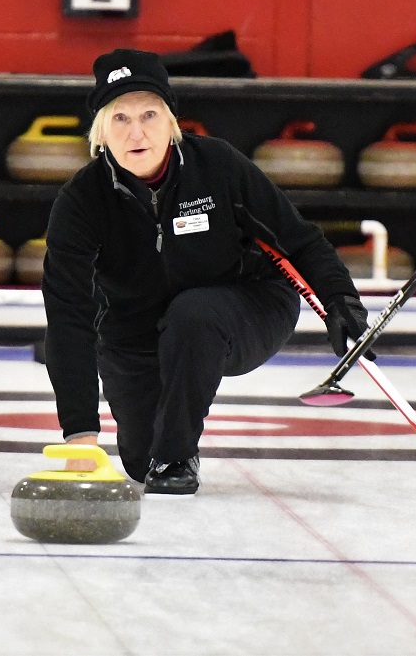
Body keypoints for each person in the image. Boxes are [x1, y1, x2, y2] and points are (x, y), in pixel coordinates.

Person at [41, 49, 366, 494]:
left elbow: (299, 238)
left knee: (194, 313)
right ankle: (160, 452)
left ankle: (176, 458)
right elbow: (68, 317)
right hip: (137, 330)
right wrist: (79, 437)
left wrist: (340, 298)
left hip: (247, 306)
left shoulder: (217, 165)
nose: (136, 132)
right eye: (120, 118)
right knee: (140, 460)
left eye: (149, 115)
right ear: (101, 130)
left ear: (171, 120)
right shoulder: (81, 202)